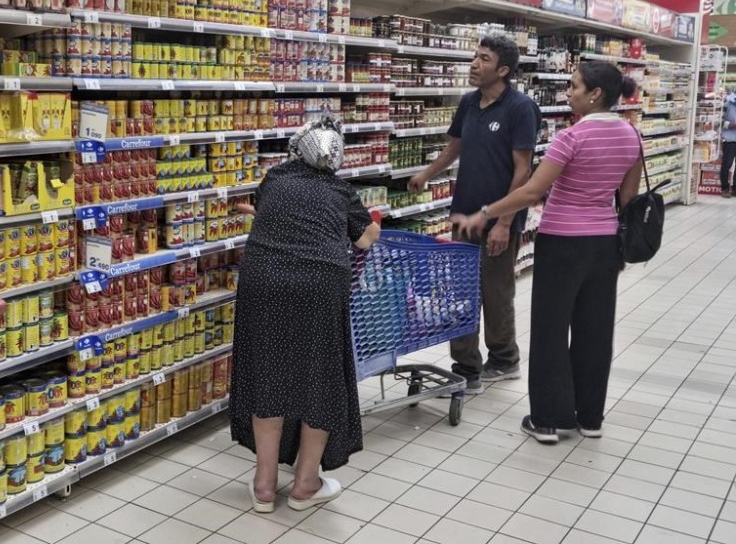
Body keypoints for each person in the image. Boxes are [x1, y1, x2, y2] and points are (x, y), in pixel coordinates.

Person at [452, 61, 643, 444]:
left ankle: (548, 420)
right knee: (595, 330)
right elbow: (627, 200)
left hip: (562, 242)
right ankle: (590, 418)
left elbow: (531, 191)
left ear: (595, 95)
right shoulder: (631, 137)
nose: (567, 93)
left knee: (551, 330)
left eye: (573, 87)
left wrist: (485, 213)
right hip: (604, 243)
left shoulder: (570, 138)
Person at [229, 114, 381, 513]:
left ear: (296, 150)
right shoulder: (340, 190)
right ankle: (305, 484)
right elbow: (365, 237)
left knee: (268, 372)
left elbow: (265, 213)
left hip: (264, 282)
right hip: (318, 286)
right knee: (321, 378)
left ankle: (264, 485)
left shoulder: (275, 179)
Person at [408, 36, 541, 393]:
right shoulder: (468, 103)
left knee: (495, 293)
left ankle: (504, 360)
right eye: (474, 57)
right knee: (459, 293)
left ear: (503, 70)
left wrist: (503, 222)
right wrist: (426, 174)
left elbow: (523, 170)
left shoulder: (520, 108)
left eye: (483, 59)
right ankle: (466, 368)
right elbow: (456, 147)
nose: (473, 64)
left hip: (498, 220)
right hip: (463, 215)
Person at [721, 90, 736, 198]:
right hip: (729, 139)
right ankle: (725, 188)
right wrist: (731, 124)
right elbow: (717, 121)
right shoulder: (727, 103)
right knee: (727, 164)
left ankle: (735, 189)